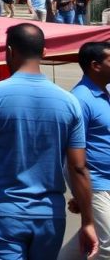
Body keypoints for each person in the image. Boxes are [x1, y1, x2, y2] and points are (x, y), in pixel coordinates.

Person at [0, 23, 96, 260]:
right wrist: (88, 222)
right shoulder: (69, 101)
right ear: (44, 52)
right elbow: (78, 167)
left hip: (5, 213)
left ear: (9, 51)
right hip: (49, 217)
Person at [59, 42, 110, 260]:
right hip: (95, 184)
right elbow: (68, 154)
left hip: (106, 182)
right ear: (95, 66)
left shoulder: (104, 93)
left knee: (91, 240)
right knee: (107, 248)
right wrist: (81, 194)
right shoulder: (80, 99)